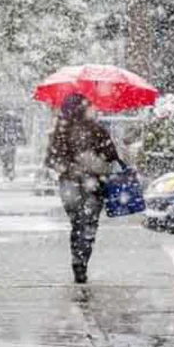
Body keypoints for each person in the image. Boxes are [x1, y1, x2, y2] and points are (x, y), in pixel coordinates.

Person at [44, 95, 124, 284]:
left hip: (70, 185)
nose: (93, 108)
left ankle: (78, 261)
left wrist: (68, 167)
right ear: (81, 109)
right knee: (88, 225)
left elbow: (51, 160)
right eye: (89, 105)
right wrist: (93, 164)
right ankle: (81, 262)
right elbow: (111, 157)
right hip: (92, 185)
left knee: (78, 225)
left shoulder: (60, 132)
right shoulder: (96, 130)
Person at [0, 111, 27, 181]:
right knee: (11, 157)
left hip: (3, 142)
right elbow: (21, 131)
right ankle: (10, 171)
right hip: (11, 142)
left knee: (5, 158)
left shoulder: (2, 120)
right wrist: (22, 138)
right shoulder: (16, 120)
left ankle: (7, 171)